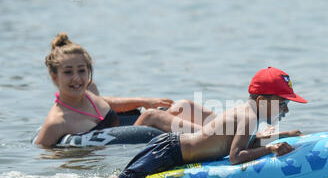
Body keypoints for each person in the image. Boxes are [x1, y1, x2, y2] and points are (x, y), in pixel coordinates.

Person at [114, 67, 308, 178]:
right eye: (282, 104)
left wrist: (282, 135)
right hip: (168, 151)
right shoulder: (248, 117)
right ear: (260, 100)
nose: (285, 110)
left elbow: (242, 142)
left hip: (172, 148)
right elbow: (236, 156)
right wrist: (270, 148)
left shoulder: (249, 113)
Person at [34, 32, 215, 147]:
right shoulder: (57, 122)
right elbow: (40, 153)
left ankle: (232, 129)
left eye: (82, 71)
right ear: (54, 76)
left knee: (182, 106)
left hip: (131, 134)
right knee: (152, 116)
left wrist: (143, 101)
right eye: (68, 72)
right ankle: (217, 141)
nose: (77, 78)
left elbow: (107, 103)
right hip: (126, 150)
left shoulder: (89, 91)